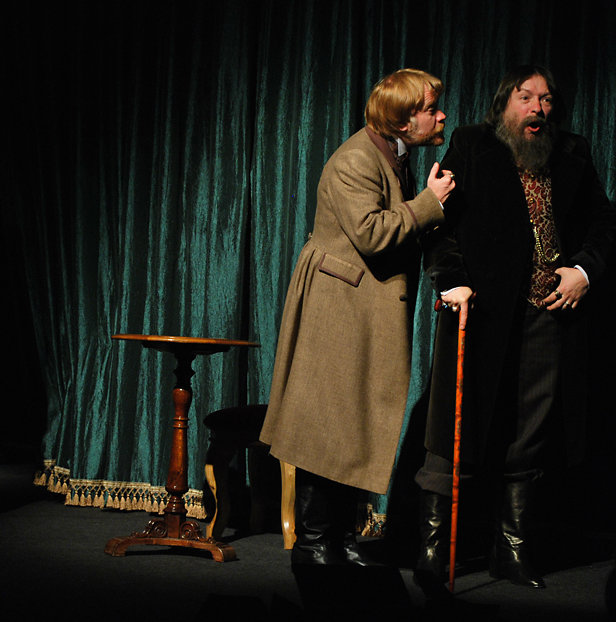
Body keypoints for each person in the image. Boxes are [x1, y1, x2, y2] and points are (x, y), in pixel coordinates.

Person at [415, 65, 615, 596]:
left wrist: (584, 270)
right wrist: (450, 280)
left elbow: (604, 222)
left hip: (549, 313)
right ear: (505, 102)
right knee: (455, 425)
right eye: (526, 97)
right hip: (479, 311)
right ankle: (434, 546)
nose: (538, 108)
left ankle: (512, 547)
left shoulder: (571, 151)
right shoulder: (471, 145)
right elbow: (437, 221)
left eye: (545, 99)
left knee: (532, 429)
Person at [260, 69, 455, 568]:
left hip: (362, 303)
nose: (441, 116)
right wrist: (429, 204)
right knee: (328, 422)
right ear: (403, 119)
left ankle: (343, 536)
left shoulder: (394, 154)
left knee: (357, 421)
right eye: (431, 109)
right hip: (338, 305)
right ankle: (314, 540)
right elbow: (371, 232)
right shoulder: (355, 160)